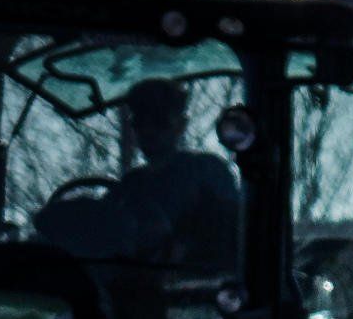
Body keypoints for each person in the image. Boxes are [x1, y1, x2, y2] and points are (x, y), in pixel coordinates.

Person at [36, 79, 240, 273]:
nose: (148, 130)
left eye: (159, 121)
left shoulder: (206, 170)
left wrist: (180, 246)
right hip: (130, 283)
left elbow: (228, 230)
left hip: (190, 291)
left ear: (181, 125)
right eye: (140, 122)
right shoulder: (131, 184)